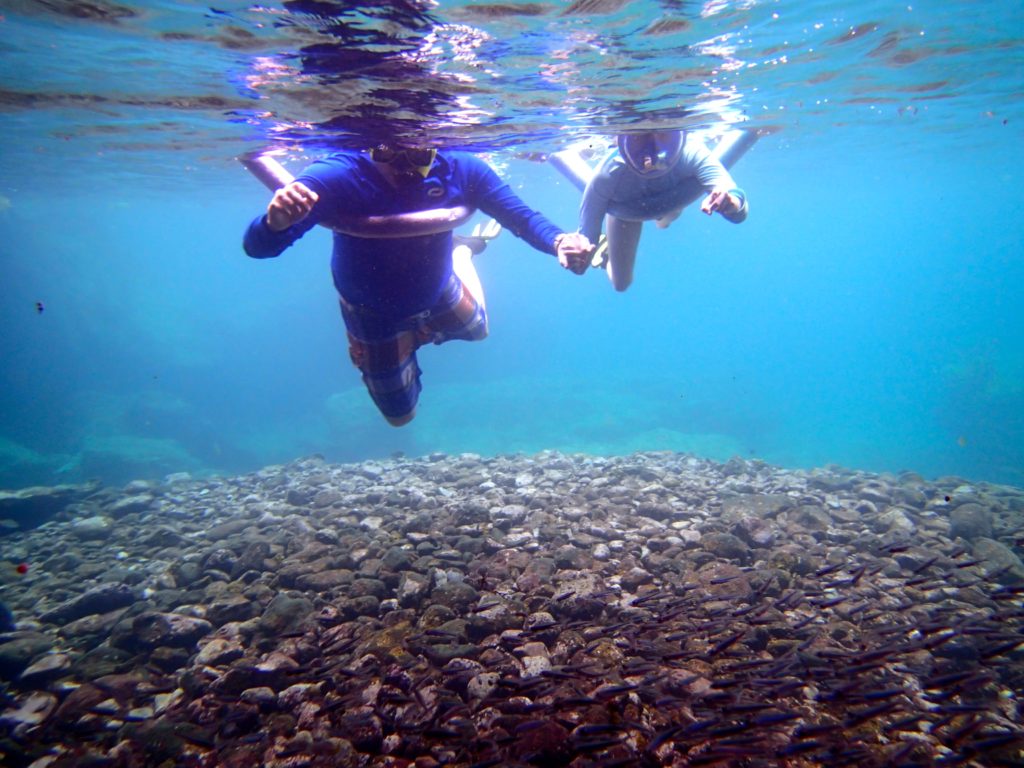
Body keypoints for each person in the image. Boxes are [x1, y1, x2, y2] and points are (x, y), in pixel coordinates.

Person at [243, 145, 591, 426]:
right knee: (400, 417)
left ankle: (461, 254)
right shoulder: (338, 175)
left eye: (418, 154)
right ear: (369, 145)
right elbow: (258, 248)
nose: (404, 166)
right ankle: (456, 261)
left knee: (478, 330)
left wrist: (559, 241)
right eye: (389, 152)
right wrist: (274, 223)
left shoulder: (460, 168)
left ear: (435, 145)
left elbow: (520, 217)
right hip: (372, 314)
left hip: (437, 289)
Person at [573, 129, 748, 291]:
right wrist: (580, 253)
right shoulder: (606, 176)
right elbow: (586, 238)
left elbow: (734, 199)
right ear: (619, 141)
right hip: (629, 215)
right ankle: (606, 255)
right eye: (637, 137)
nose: (651, 155)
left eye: (664, 134)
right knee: (621, 284)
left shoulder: (692, 152)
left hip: (650, 207)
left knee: (667, 217)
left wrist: (731, 203)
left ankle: (662, 220)